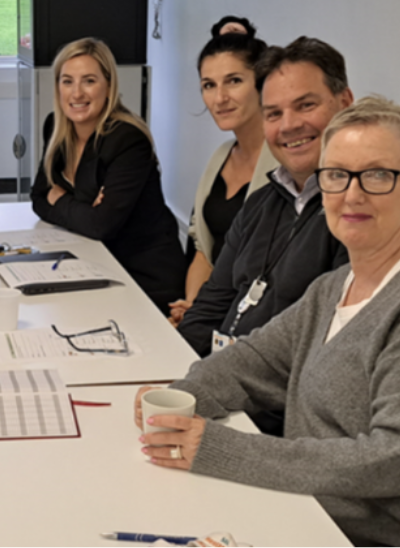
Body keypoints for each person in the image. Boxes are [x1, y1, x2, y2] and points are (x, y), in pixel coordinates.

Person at [135, 95, 400, 547]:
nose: (352, 194)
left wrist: (219, 449)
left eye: (377, 175)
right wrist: (183, 396)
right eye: (336, 175)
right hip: (301, 512)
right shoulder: (333, 288)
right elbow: (254, 361)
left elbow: (394, 458)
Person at [175, 37, 356, 359]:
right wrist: (173, 369)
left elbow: (334, 350)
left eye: (306, 105)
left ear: (345, 103)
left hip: (270, 399)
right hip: (224, 375)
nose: (289, 125)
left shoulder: (364, 207)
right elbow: (213, 301)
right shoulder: (263, 202)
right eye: (273, 113)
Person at [30, 38, 186, 316]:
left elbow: (101, 225)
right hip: (94, 260)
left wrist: (63, 199)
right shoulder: (56, 126)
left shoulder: (127, 139)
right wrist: (85, 208)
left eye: (89, 81)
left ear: (109, 86)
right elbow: (39, 198)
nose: (76, 93)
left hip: (143, 272)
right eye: (67, 81)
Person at [168, 17, 279, 327]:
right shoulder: (220, 157)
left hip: (253, 323)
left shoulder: (286, 165)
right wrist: (191, 308)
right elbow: (204, 251)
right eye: (209, 85)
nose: (219, 98)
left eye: (234, 81)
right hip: (210, 312)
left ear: (262, 82)